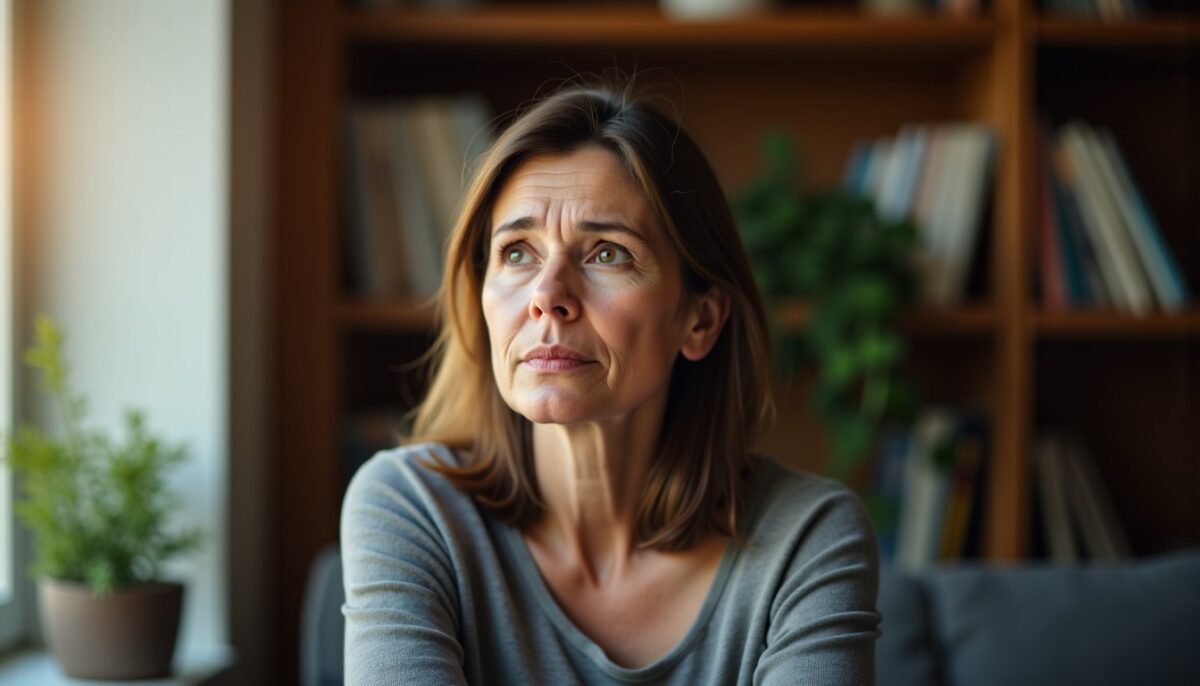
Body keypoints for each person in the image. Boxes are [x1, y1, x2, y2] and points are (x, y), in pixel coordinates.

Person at [340, 80, 881, 685]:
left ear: (699, 320)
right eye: (517, 252)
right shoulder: (410, 509)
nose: (547, 296)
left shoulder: (805, 538)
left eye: (606, 254)